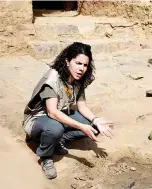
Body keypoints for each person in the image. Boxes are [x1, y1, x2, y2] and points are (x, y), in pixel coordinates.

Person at [23, 42, 113, 179]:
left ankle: (55, 140)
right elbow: (52, 112)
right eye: (78, 63)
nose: (81, 69)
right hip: (39, 119)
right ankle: (46, 156)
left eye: (85, 65)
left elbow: (82, 106)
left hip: (60, 114)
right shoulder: (53, 79)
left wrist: (96, 120)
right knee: (55, 128)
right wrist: (80, 126)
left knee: (93, 127)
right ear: (67, 61)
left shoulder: (78, 79)